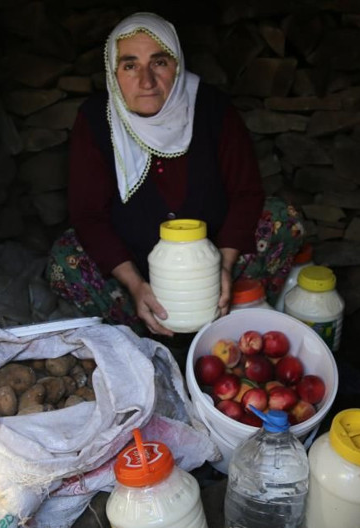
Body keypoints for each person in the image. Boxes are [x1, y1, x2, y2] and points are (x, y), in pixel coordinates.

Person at [47, 12, 304, 336]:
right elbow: (88, 214)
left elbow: (246, 193)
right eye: (130, 66)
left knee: (283, 219)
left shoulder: (212, 108)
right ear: (113, 73)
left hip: (212, 262)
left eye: (159, 62)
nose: (146, 81)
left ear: (177, 65)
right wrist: (134, 284)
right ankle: (143, 334)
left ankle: (228, 323)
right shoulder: (97, 119)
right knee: (65, 259)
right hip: (132, 267)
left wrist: (223, 266)